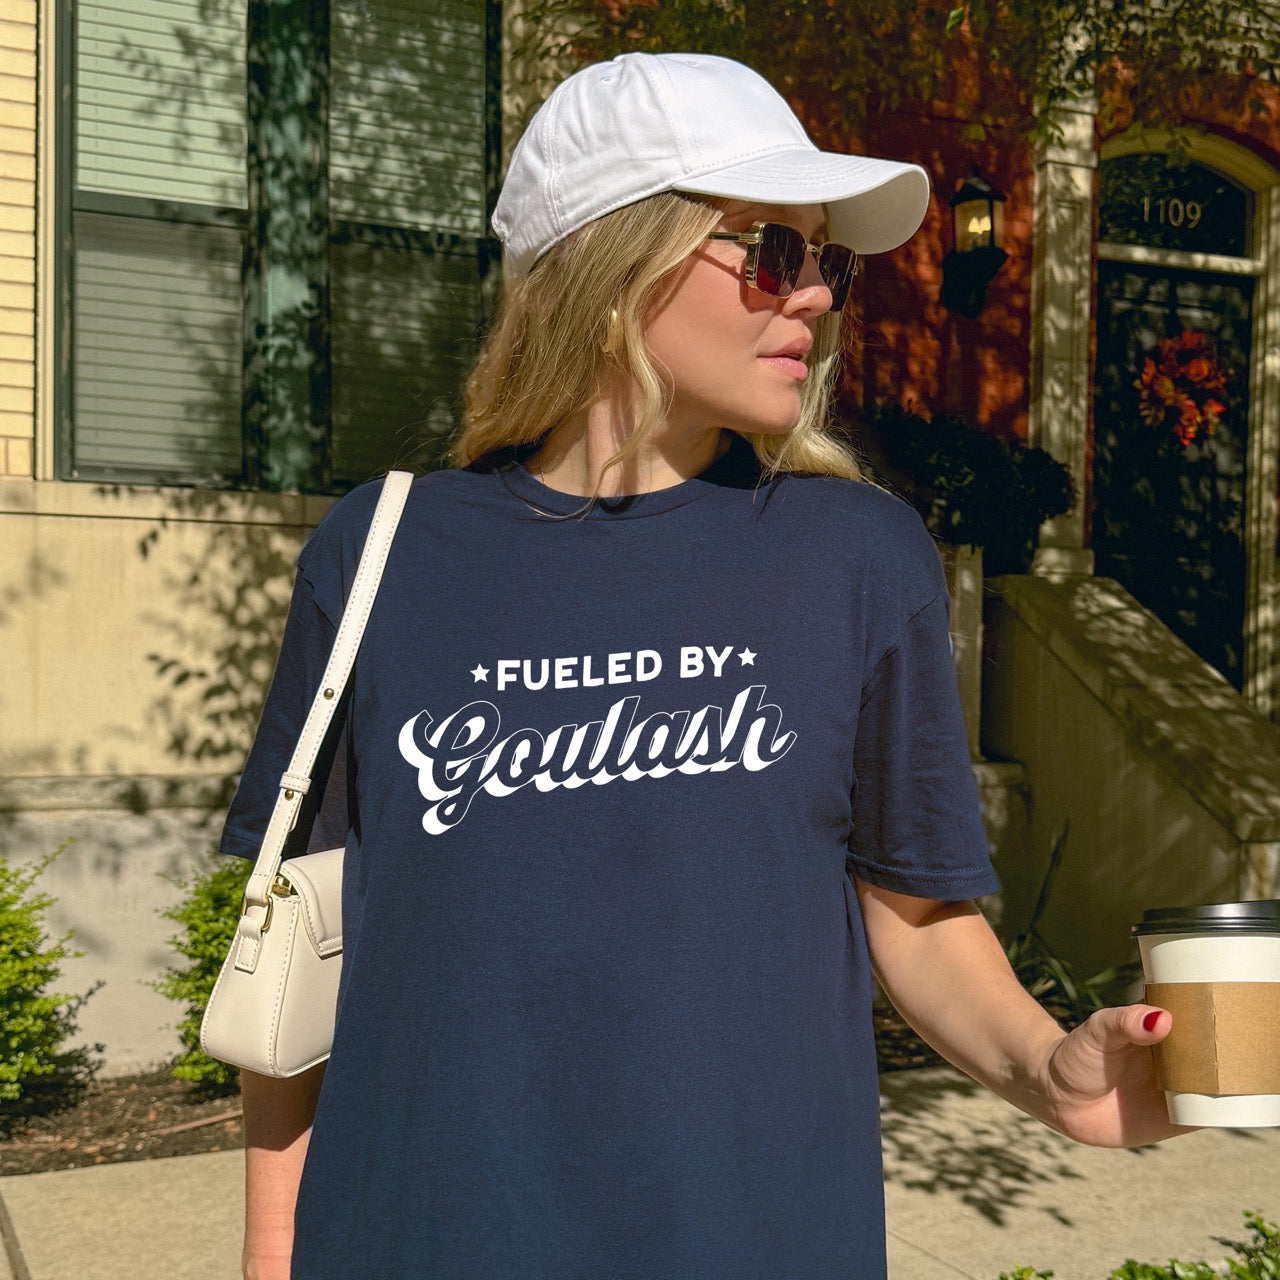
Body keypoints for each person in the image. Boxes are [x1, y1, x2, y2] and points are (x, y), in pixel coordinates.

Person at [223, 51, 1181, 1280]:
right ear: (611, 259)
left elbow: (920, 918)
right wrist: (269, 1252)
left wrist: (1052, 1075)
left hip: (751, 1237)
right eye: (772, 254)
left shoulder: (855, 554)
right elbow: (305, 957)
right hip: (419, 1233)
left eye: (823, 261)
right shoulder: (380, 552)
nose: (818, 298)